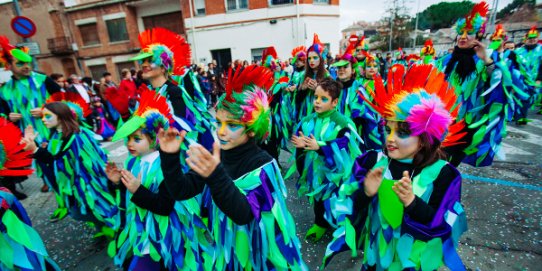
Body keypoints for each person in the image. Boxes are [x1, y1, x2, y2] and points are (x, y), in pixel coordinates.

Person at [158, 65, 307, 270]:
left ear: (252, 128)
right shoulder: (217, 156)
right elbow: (180, 190)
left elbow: (244, 214)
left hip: (261, 258)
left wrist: (215, 174)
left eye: (232, 125)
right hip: (230, 255)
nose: (222, 132)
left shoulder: (263, 163)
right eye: (219, 122)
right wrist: (169, 156)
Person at [323, 65, 468, 270]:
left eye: (402, 132)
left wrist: (412, 203)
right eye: (388, 129)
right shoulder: (374, 161)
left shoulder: (443, 174)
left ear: (425, 137)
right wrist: (365, 192)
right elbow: (345, 209)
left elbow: (442, 226)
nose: (390, 138)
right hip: (375, 258)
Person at [106, 89, 206, 270]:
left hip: (164, 237)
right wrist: (117, 182)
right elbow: (130, 195)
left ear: (154, 139)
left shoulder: (163, 166)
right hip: (142, 233)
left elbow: (164, 206)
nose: (129, 144)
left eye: (137, 139)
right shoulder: (134, 162)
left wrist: (138, 191)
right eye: (128, 139)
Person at [21, 102, 119, 229]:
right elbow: (55, 159)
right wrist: (34, 146)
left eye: (48, 116)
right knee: (80, 212)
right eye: (43, 116)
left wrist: (36, 150)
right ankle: (103, 228)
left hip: (86, 186)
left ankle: (114, 230)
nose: (43, 119)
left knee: (94, 210)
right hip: (72, 186)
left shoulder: (77, 136)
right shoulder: (57, 134)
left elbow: (60, 161)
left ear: (61, 115)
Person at [288, 77, 362, 241]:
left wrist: (320, 147)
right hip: (316, 173)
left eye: (323, 99)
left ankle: (342, 226)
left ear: (334, 102)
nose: (317, 102)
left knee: (336, 198)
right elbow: (302, 141)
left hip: (335, 174)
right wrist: (301, 145)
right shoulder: (308, 120)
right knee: (319, 200)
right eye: (315, 97)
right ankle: (320, 223)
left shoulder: (343, 122)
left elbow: (344, 144)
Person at [435, 1, 507, 167]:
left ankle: (445, 189)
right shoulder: (446, 61)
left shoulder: (487, 58)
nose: (463, 37)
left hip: (466, 123)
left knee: (449, 164)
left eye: (470, 33)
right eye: (461, 32)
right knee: (436, 162)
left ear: (479, 36)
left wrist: (486, 60)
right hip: (441, 120)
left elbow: (498, 85)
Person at [132, 27, 215, 150]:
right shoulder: (146, 92)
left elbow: (183, 128)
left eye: (150, 61)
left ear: (163, 67)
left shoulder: (174, 91)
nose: (144, 65)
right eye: (142, 61)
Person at [0, 36, 61, 194]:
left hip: (52, 129)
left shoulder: (43, 80)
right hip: (27, 133)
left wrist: (45, 110)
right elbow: (2, 114)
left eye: (28, 62)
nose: (27, 66)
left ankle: (63, 187)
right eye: (20, 63)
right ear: (9, 65)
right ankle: (47, 181)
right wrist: (9, 117)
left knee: (58, 159)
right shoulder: (4, 90)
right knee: (39, 159)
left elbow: (64, 101)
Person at [296, 34, 330, 122]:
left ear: (321, 59)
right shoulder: (303, 76)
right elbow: (297, 100)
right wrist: (302, 89)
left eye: (315, 57)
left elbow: (331, 99)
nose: (311, 61)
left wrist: (317, 89)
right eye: (309, 58)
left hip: (320, 116)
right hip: (305, 116)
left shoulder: (327, 75)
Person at [515, 25, 542, 120]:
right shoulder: (519, 51)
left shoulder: (541, 50)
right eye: (530, 38)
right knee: (519, 97)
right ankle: (520, 117)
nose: (532, 40)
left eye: (534, 38)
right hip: (520, 79)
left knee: (528, 98)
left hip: (533, 80)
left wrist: (539, 79)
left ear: (537, 38)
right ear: (526, 39)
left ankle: (521, 116)